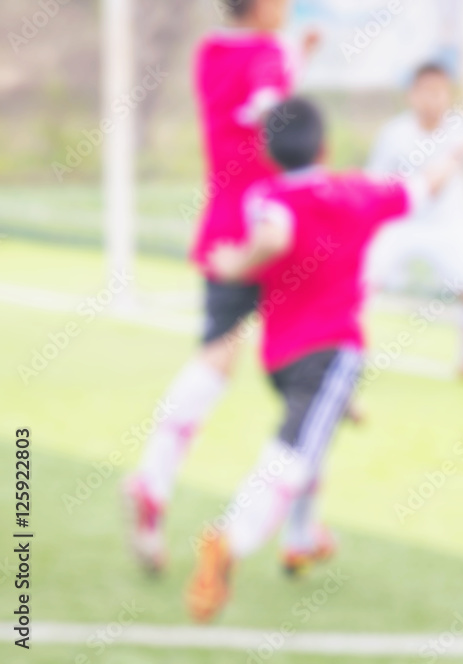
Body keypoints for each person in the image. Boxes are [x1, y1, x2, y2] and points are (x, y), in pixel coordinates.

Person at [186, 97, 462, 623]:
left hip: (281, 355)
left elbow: (273, 229)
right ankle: (231, 540)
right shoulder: (357, 191)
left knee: (312, 440)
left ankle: (301, 538)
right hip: (330, 350)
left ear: (270, 152)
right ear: (325, 146)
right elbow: (427, 184)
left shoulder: (263, 193)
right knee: (291, 454)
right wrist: (458, 151)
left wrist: (237, 261)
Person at [122, 0, 319, 574]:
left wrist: (292, 66)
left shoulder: (210, 52)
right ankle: (299, 531)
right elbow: (271, 116)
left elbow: (251, 108)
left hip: (223, 224)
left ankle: (154, 478)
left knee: (216, 355)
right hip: (275, 229)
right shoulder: (264, 54)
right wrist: (285, 78)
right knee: (315, 372)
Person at [365, 62, 463, 385]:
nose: (432, 99)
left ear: (448, 95)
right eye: (425, 92)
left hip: (450, 225)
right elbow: (377, 182)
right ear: (411, 95)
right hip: (400, 222)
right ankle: (348, 350)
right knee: (362, 280)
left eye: (439, 92)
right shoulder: (394, 133)